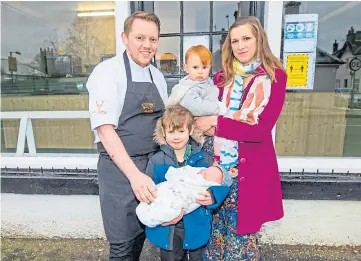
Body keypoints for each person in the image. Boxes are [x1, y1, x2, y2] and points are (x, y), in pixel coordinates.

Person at [195, 16, 287, 260]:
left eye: (246, 38)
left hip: (249, 176)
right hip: (216, 171)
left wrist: (217, 122)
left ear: (259, 40)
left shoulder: (274, 77)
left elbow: (259, 131)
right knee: (213, 241)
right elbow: (197, 117)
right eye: (235, 41)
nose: (240, 45)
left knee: (240, 246)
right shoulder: (220, 79)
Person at [86, 11, 168, 261]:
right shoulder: (107, 73)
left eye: (153, 39)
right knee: (122, 246)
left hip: (152, 167)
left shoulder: (158, 76)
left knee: (142, 238)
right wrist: (135, 176)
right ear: (124, 38)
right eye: (140, 37)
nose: (147, 45)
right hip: (120, 172)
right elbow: (105, 130)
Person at [143, 105, 231, 261]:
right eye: (171, 132)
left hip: (197, 224)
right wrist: (158, 214)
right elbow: (147, 191)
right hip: (168, 229)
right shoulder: (156, 160)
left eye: (181, 131)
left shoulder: (205, 158)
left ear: (190, 130)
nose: (176, 137)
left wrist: (213, 196)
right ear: (164, 132)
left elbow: (221, 184)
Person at [136, 164, 229, 228]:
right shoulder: (158, 158)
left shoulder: (204, 156)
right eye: (206, 170)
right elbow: (149, 181)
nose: (176, 137)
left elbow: (224, 189)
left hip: (195, 229)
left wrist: (214, 195)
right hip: (165, 234)